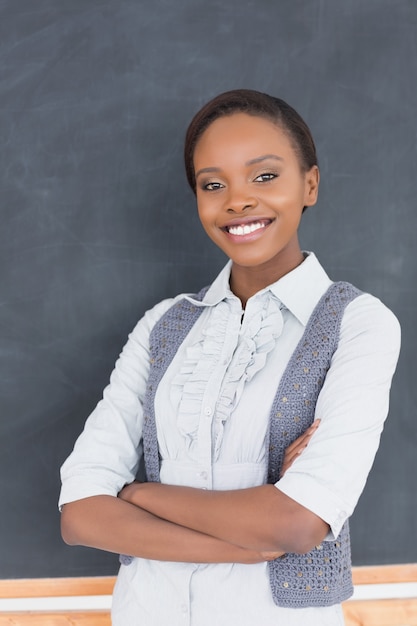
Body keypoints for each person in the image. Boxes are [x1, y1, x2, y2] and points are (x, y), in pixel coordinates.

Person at [59, 89, 401, 625]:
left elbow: (296, 525)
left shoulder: (358, 324)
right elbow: (80, 515)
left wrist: (135, 492)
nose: (237, 201)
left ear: (310, 184)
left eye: (264, 176)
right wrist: (247, 541)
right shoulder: (163, 325)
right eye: (213, 184)